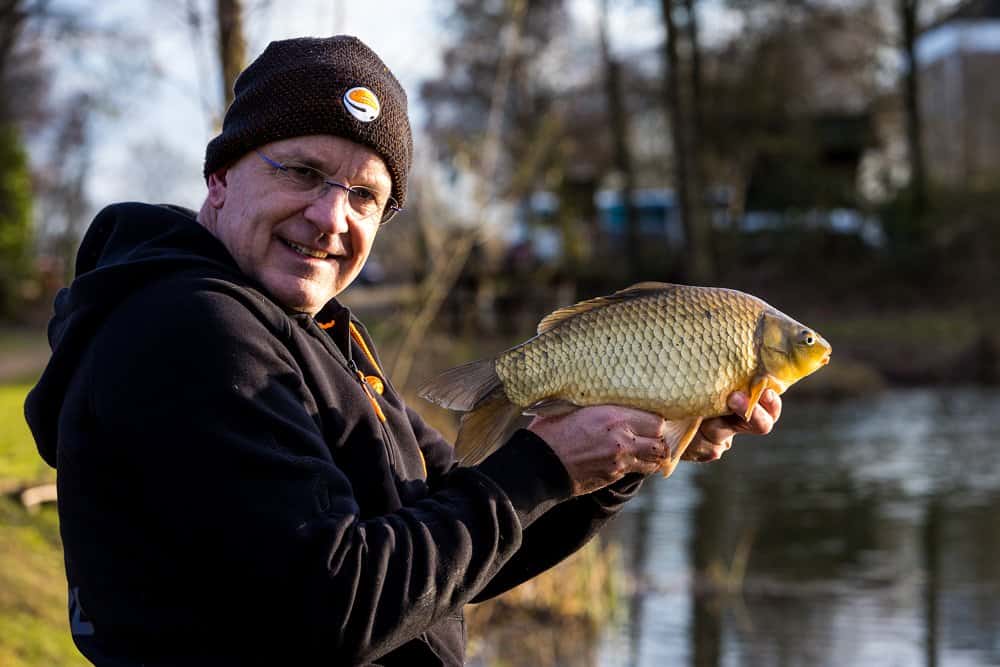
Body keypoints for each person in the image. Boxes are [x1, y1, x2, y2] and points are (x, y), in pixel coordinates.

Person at [25, 35, 781, 666]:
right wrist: (544, 463)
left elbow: (467, 548)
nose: (330, 217)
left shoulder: (315, 336)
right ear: (220, 176)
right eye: (302, 171)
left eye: (365, 196)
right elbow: (335, 604)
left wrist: (618, 453)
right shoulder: (191, 330)